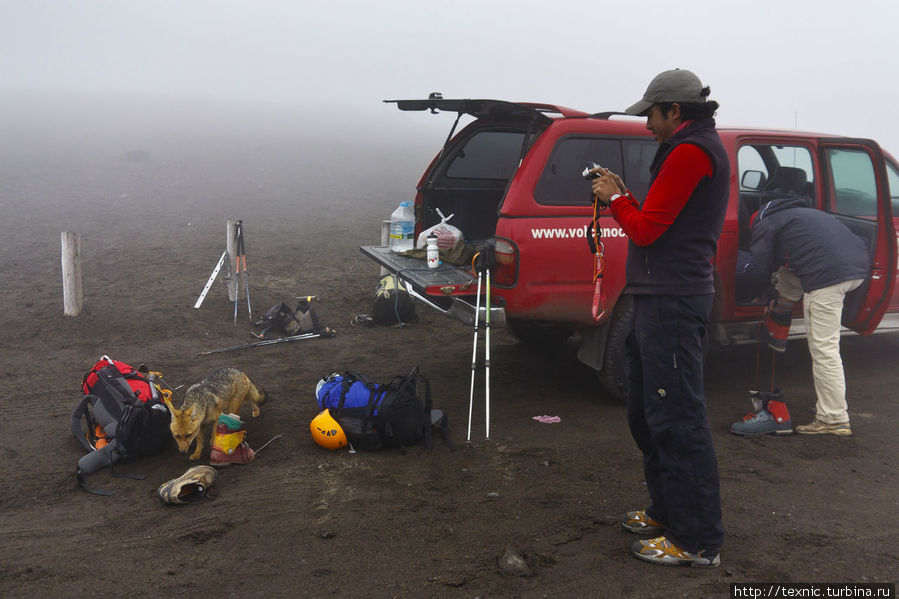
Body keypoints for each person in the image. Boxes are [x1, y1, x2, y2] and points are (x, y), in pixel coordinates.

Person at [591, 68, 728, 568]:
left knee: (677, 419)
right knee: (649, 413)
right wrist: (625, 195)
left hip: (673, 300)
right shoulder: (686, 149)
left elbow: (646, 230)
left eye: (650, 113)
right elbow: (660, 220)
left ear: (675, 111)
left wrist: (617, 199)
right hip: (659, 296)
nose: (645, 123)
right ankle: (668, 511)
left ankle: (697, 541)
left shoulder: (693, 152)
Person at [731, 196, 868, 437]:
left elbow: (758, 268)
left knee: (824, 349)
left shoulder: (766, 223)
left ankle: (834, 418)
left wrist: (752, 292)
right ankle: (780, 313)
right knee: (788, 273)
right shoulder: (804, 215)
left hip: (827, 277)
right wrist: (776, 297)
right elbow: (786, 268)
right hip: (857, 268)